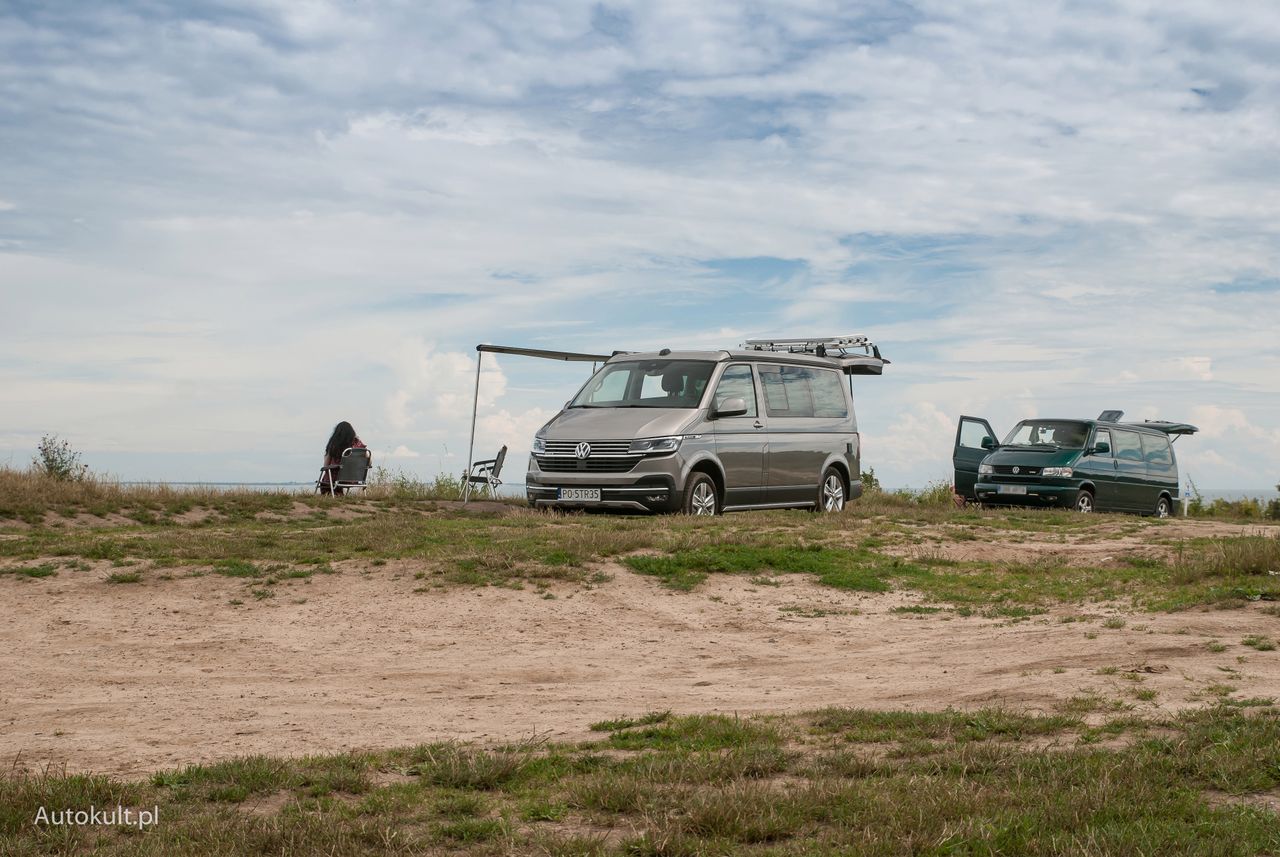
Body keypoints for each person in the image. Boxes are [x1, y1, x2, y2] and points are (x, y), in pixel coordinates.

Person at [318, 421, 367, 495]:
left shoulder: (334, 445)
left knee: (329, 475)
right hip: (354, 479)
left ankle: (331, 493)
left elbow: (325, 466)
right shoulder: (359, 445)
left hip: (336, 479)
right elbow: (368, 461)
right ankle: (338, 494)